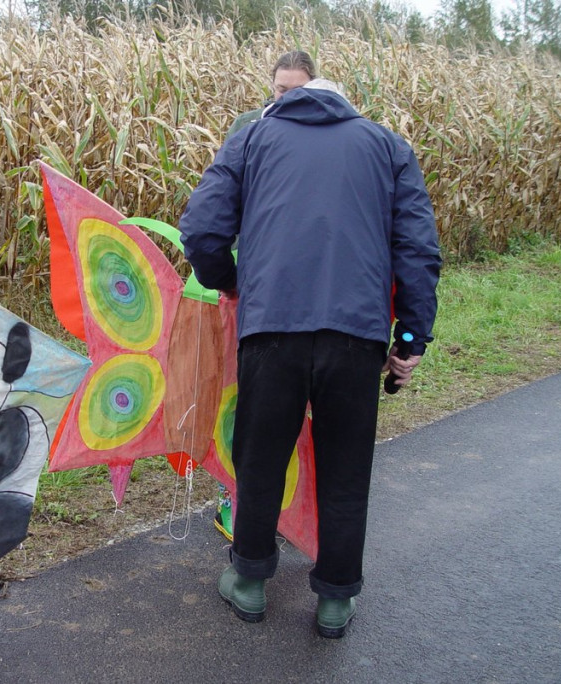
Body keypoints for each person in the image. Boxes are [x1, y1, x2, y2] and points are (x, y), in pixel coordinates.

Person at [180, 79, 441, 638]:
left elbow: (201, 229)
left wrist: (233, 282)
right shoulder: (388, 147)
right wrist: (411, 338)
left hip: (272, 326)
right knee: (346, 470)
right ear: (346, 102)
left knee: (260, 458)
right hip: (356, 334)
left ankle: (249, 581)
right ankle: (334, 601)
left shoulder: (251, 140)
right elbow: (417, 249)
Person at [215, 50, 316, 542]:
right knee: (241, 392)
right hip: (252, 276)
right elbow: (226, 199)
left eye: (296, 90)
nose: (286, 98)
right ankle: (233, 497)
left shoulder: (325, 130)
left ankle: (293, 499)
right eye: (279, 89)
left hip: (305, 282)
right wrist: (228, 272)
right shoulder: (249, 125)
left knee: (295, 399)